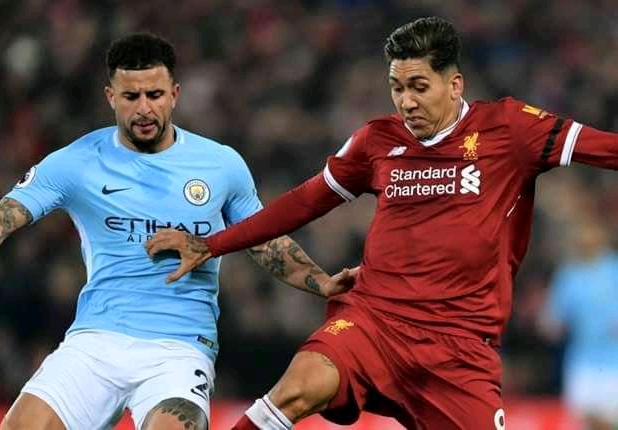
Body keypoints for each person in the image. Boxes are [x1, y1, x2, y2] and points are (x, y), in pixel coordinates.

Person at [144, 16, 618, 430]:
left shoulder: (510, 129)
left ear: (454, 85)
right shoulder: (376, 141)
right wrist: (213, 244)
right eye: (397, 87)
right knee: (297, 386)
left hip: (459, 348)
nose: (406, 102)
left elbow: (607, 148)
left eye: (419, 87)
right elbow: (303, 203)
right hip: (375, 322)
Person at [0, 33, 355, 430]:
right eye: (131, 97)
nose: (144, 108)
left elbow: (264, 241)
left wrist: (323, 282)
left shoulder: (220, 165)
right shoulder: (76, 161)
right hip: (95, 340)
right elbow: (6, 215)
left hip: (179, 348)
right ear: (110, 97)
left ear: (175, 94)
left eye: (154, 94)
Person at [538, 221, 618, 430]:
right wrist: (551, 325)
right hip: (581, 362)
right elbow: (552, 321)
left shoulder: (614, 269)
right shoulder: (569, 275)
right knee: (583, 422)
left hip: (614, 361)